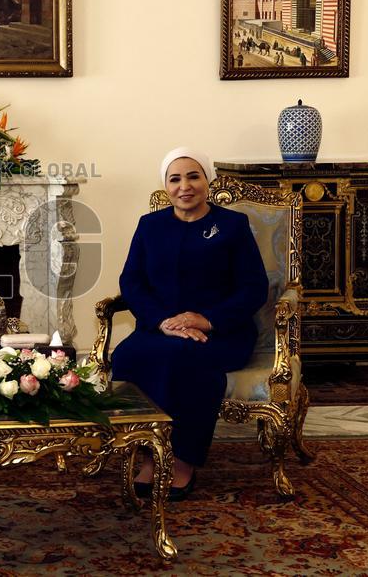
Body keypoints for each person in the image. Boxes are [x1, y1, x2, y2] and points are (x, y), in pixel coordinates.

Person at [111, 147, 268, 501]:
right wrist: (163, 322)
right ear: (166, 187)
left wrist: (207, 320)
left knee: (185, 358)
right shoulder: (149, 226)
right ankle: (148, 453)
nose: (185, 186)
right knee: (128, 356)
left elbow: (253, 287)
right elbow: (132, 282)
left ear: (207, 181)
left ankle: (182, 460)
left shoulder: (232, 225)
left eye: (193, 176)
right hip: (160, 327)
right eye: (175, 178)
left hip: (222, 331)